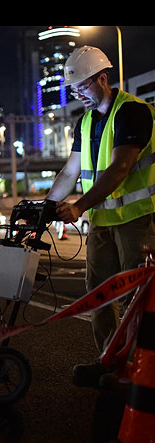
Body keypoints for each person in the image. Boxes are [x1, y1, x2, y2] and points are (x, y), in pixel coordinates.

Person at [46, 46, 155, 389]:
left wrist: (77, 207)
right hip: (102, 222)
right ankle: (110, 359)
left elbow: (120, 168)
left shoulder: (133, 113)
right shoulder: (86, 121)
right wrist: (43, 207)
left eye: (82, 88)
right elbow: (70, 171)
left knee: (137, 297)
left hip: (137, 220)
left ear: (102, 79)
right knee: (98, 294)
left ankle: (141, 367)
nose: (79, 96)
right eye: (75, 91)